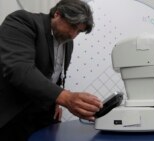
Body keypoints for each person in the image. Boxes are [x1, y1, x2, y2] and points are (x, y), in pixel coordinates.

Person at [0, 0, 103, 140]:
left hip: (44, 116)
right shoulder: (22, 21)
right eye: (72, 26)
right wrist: (64, 97)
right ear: (57, 14)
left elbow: (54, 74)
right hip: (14, 114)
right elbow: (19, 69)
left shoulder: (67, 42)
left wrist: (54, 101)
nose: (73, 35)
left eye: (79, 31)